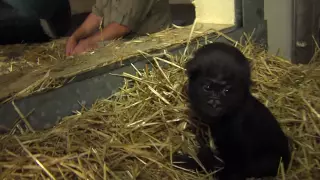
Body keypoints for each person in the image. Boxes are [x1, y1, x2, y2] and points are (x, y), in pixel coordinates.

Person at [66, 0, 172, 56]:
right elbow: (97, 15)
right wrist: (75, 37)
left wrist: (87, 43)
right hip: (124, 40)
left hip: (148, 44)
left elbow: (121, 27)